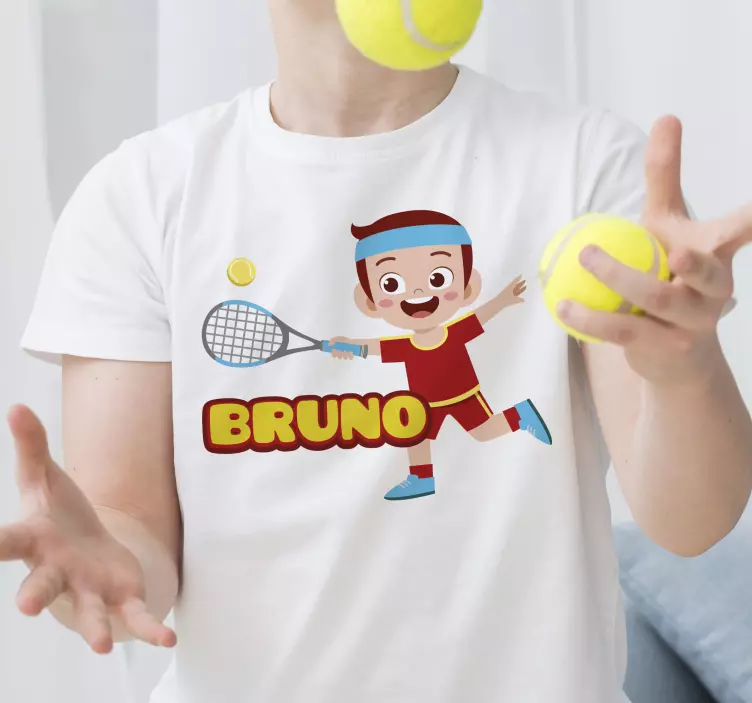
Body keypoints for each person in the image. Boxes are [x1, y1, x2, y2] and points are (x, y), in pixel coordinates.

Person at [3, 1, 751, 701]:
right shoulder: (139, 196)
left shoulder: (587, 165)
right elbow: (130, 534)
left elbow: (691, 523)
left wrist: (682, 370)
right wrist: (101, 564)